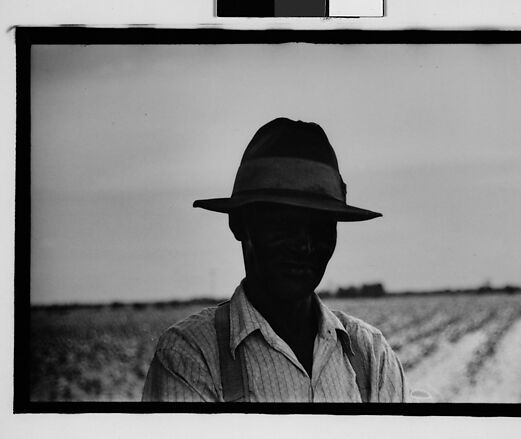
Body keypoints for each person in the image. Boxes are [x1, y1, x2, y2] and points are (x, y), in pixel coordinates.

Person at [142, 118, 407, 402]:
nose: (304, 245)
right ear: (239, 224)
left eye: (321, 226)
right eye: (284, 223)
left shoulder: (371, 355)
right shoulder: (190, 356)